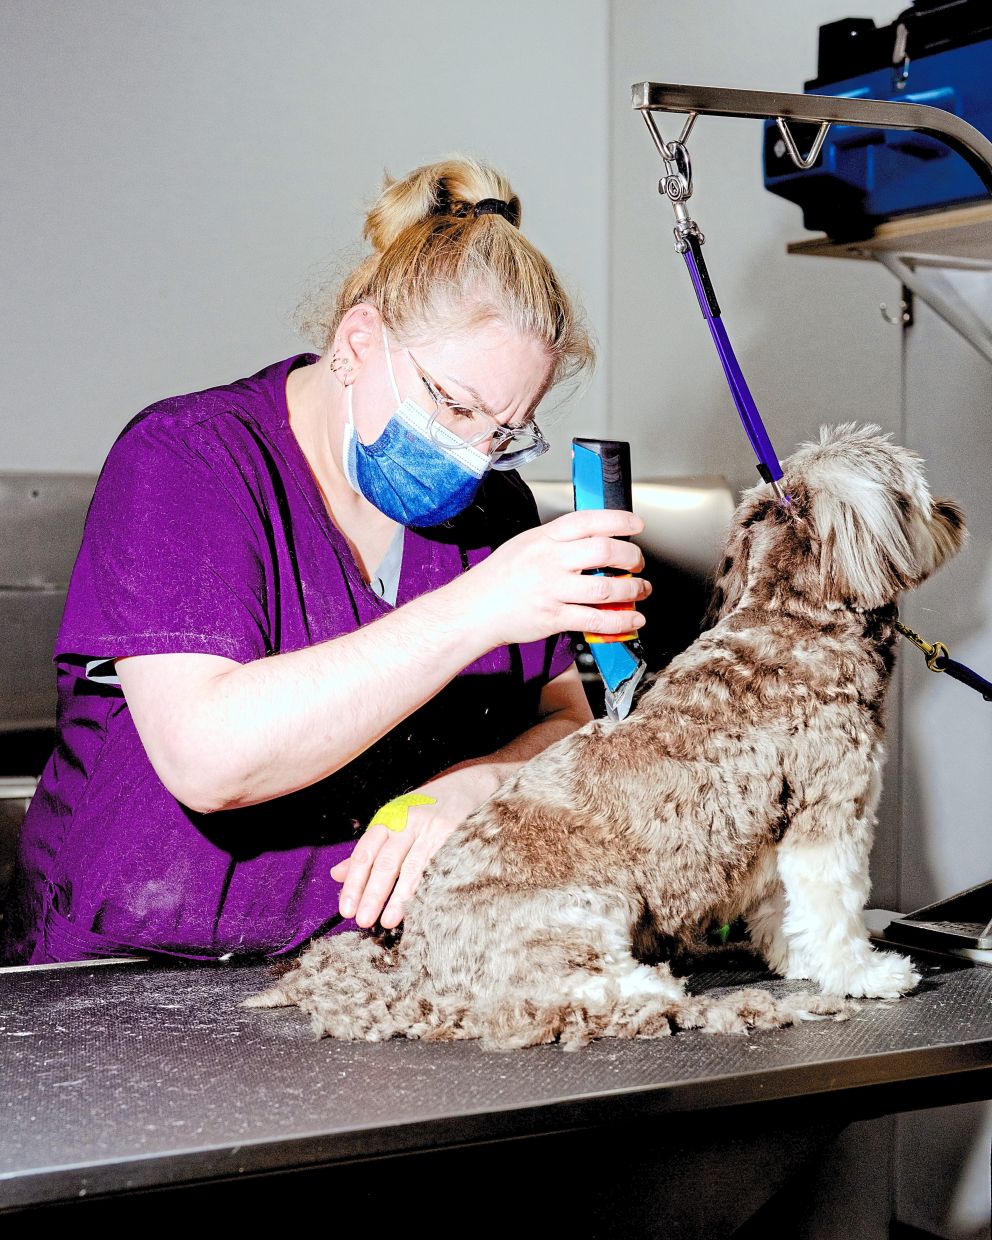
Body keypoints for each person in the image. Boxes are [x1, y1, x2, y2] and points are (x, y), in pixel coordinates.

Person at [1, 157, 649, 966]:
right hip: (130, 971)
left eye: (507, 431)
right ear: (357, 342)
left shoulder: (495, 510)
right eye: (453, 405)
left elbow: (568, 724)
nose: (475, 457)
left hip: (368, 966)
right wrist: (479, 605)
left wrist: (481, 785)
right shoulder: (190, 463)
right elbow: (209, 757)